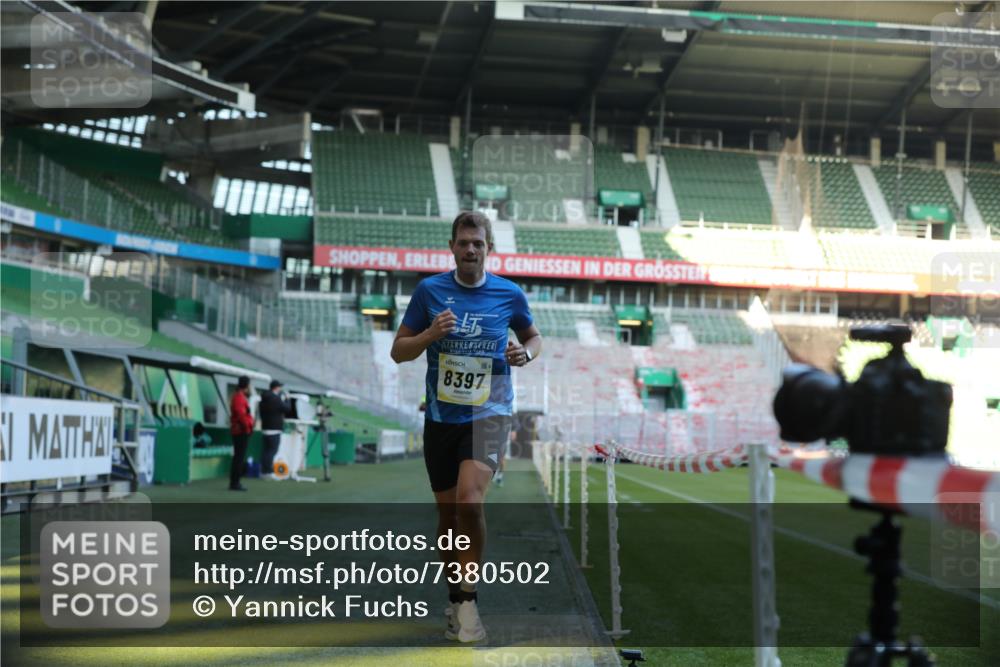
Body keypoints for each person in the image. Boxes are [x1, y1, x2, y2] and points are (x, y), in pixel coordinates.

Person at [390, 211, 542, 643]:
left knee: (469, 501)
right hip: (441, 418)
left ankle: (469, 602)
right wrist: (429, 335)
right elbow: (399, 351)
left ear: (488, 247)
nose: (470, 249)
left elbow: (534, 337)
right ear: (452, 247)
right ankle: (456, 597)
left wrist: (525, 355)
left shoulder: (508, 294)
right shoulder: (430, 292)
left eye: (478, 243)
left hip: (490, 413)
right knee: (448, 515)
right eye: (463, 242)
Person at [259, 379, 292, 476]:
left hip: (265, 428)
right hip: (274, 429)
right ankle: (267, 471)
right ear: (276, 387)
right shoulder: (275, 398)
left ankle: (263, 470)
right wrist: (287, 399)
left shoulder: (264, 398)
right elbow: (287, 408)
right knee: (272, 451)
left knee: (266, 451)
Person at [229, 375, 255, 491]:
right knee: (238, 458)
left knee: (238, 457)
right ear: (247, 385)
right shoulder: (239, 398)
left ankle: (235, 482)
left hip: (240, 430)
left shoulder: (239, 397)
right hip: (241, 431)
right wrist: (247, 428)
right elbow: (242, 416)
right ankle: (235, 483)